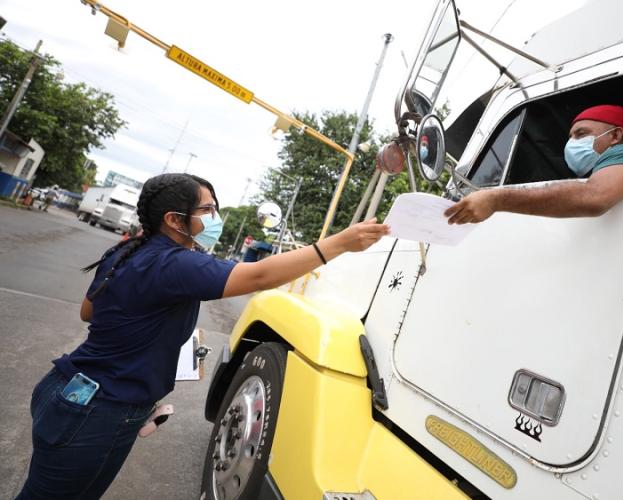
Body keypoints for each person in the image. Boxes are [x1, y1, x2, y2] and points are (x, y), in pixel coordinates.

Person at [15, 173, 389, 500]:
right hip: (97, 412)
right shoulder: (175, 263)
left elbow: (89, 311)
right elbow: (258, 276)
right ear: (174, 219)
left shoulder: (128, 248)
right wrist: (339, 243)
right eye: (207, 210)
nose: (214, 218)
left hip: (68, 394)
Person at [445, 104, 623, 223]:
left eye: (582, 134)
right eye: (571, 137)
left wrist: (496, 199)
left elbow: (595, 197)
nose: (572, 144)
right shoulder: (607, 166)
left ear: (615, 135)